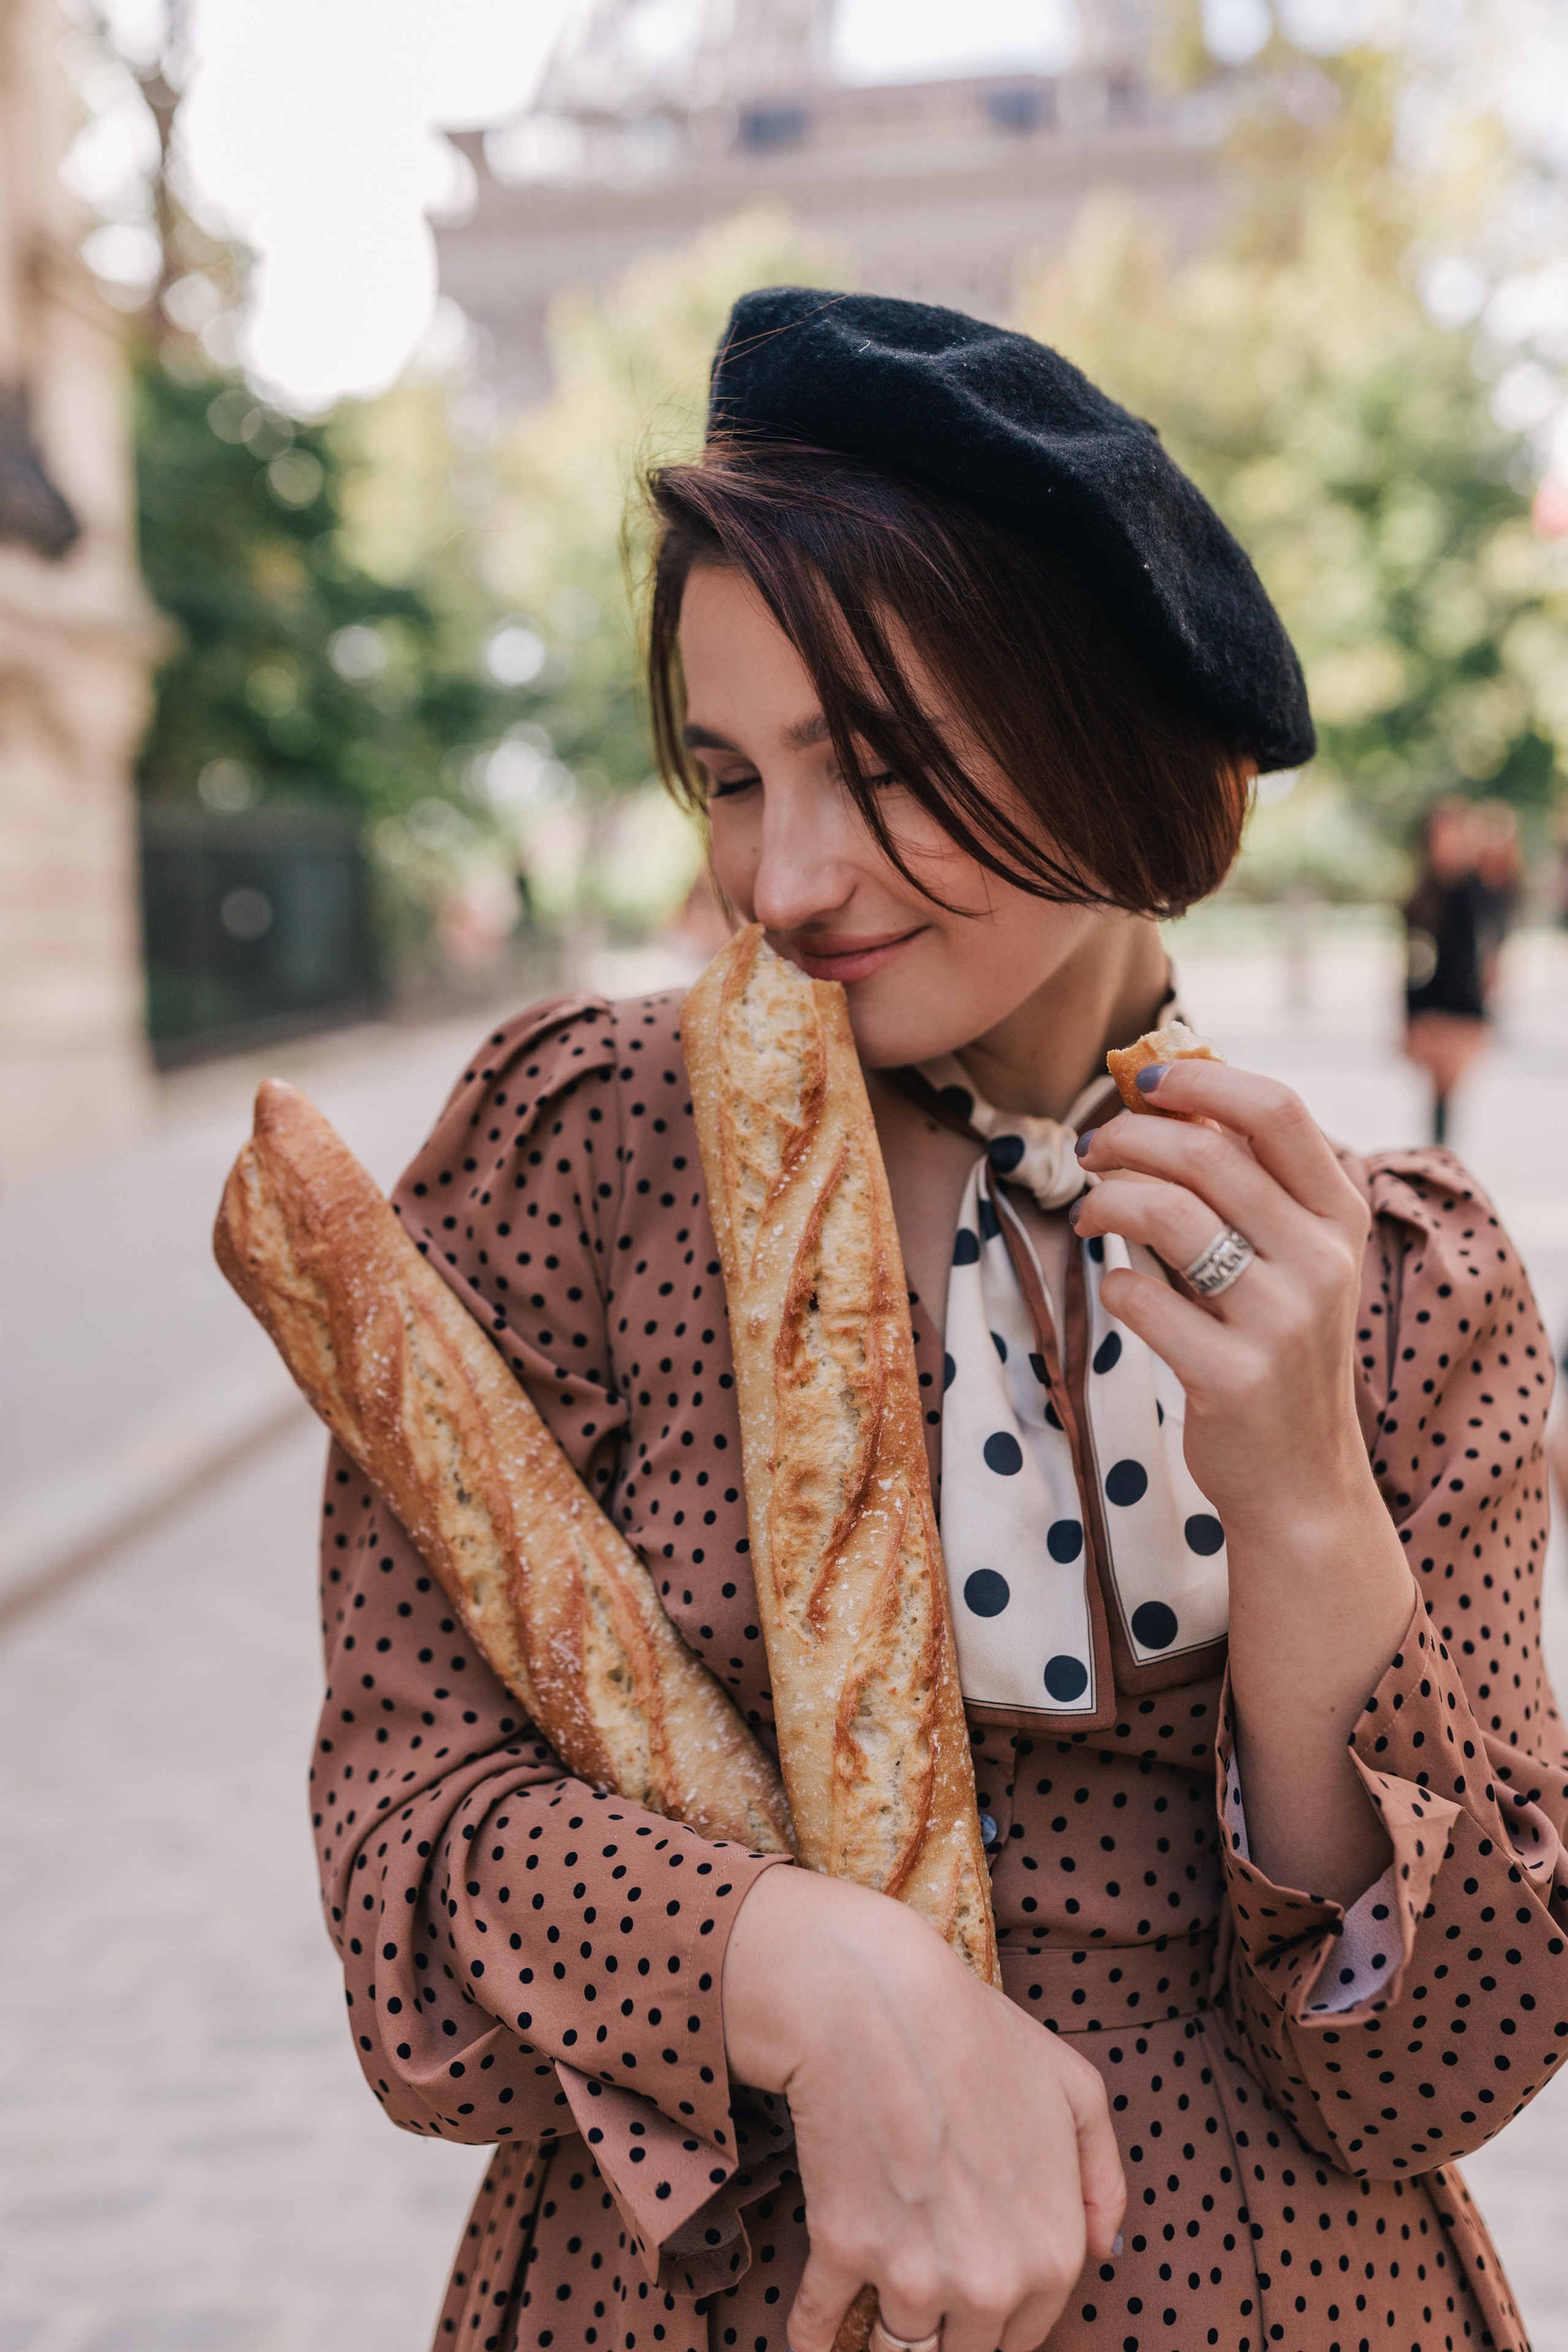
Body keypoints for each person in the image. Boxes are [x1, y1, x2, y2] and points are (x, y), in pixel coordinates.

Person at [312, 293, 1564, 2352]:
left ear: (1112, 724)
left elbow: (1431, 2071)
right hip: (703, 2298)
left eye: (877, 766)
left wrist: (1310, 1513)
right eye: (728, 775)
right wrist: (799, 1965)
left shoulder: (1410, 1279)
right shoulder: (579, 1164)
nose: (783, 878)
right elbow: (406, 1888)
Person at [1400, 796, 1488, 1145]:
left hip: (1465, 1013)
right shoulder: (1420, 897)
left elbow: (1484, 960)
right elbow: (1412, 963)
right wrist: (1409, 1018)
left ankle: (1444, 1163)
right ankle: (1438, 1163)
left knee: (1451, 1098)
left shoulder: (1478, 893)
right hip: (1430, 1012)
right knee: (1436, 1100)